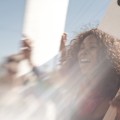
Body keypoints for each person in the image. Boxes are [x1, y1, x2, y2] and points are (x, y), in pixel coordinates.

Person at [57, 28, 120, 120]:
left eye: (92, 47)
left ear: (106, 54)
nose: (83, 52)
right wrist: (63, 51)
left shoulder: (116, 92)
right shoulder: (75, 86)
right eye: (81, 48)